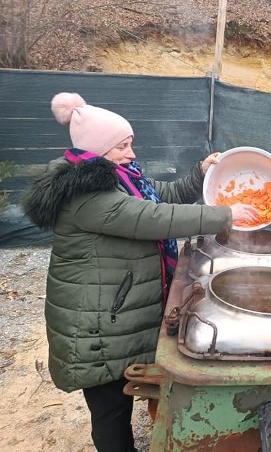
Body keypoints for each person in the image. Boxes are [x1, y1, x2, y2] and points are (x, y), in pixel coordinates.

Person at [21, 92, 257, 452]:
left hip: (113, 313)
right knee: (110, 412)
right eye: (122, 147)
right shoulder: (87, 197)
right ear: (99, 151)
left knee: (119, 399)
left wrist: (200, 172)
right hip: (94, 326)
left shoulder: (121, 179)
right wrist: (226, 214)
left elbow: (165, 196)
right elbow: (154, 218)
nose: (131, 154)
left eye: (130, 145)